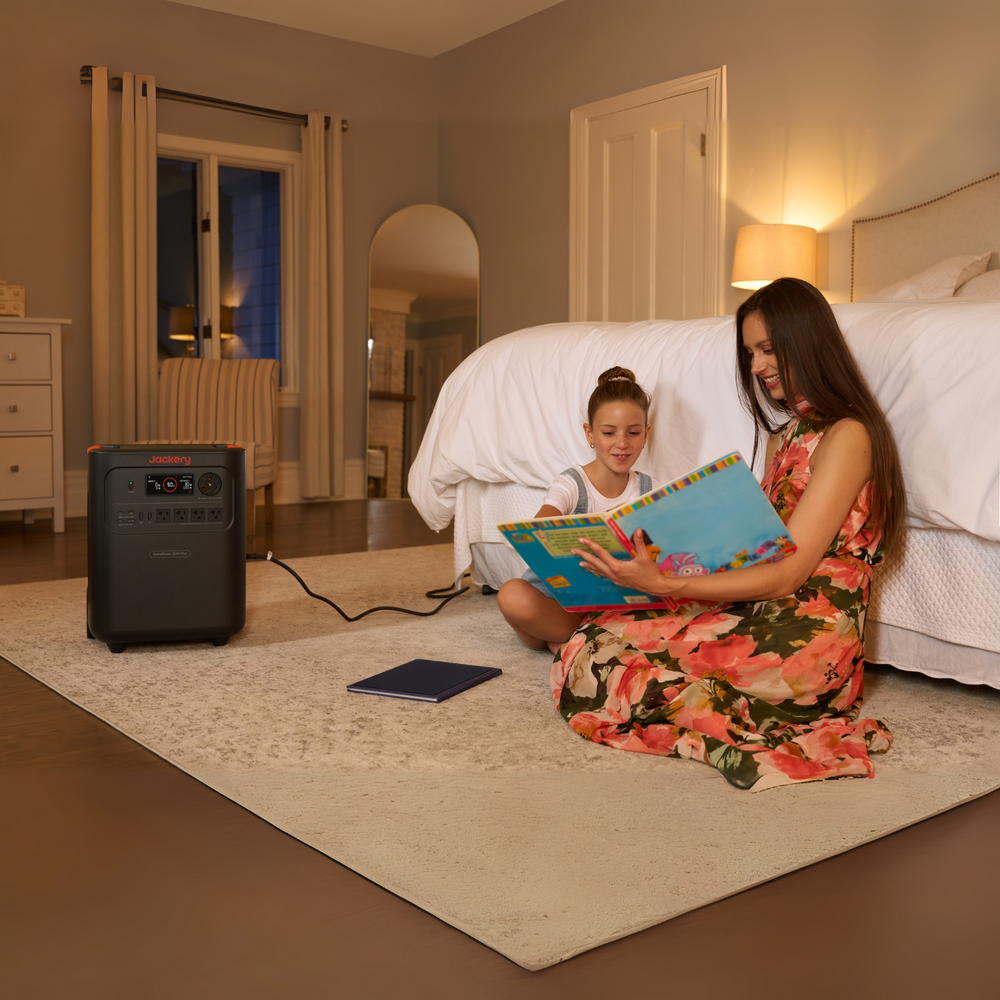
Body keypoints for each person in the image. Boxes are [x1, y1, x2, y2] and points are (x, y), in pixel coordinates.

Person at [554, 278, 905, 790]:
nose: (758, 366)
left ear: (805, 341)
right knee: (591, 638)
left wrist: (671, 587)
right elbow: (757, 549)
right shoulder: (788, 433)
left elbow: (787, 574)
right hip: (764, 607)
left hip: (809, 636)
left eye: (768, 349)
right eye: (750, 352)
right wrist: (674, 561)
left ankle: (730, 728)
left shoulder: (848, 435)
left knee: (596, 655)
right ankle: (710, 705)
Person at [498, 366, 655, 654]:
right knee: (512, 595)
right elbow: (542, 521)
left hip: (614, 602)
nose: (622, 443)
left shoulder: (647, 489)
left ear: (645, 435)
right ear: (590, 434)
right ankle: (586, 638)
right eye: (609, 432)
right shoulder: (572, 483)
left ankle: (577, 642)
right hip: (556, 602)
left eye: (633, 433)